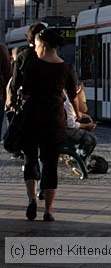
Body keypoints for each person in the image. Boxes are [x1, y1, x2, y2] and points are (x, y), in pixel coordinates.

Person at [19, 28, 78, 221]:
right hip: (54, 119)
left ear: (43, 44)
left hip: (32, 116)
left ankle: (31, 199)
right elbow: (72, 93)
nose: (35, 49)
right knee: (50, 164)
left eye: (36, 45)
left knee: (30, 159)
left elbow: (26, 92)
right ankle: (49, 210)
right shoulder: (66, 67)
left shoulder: (32, 65)